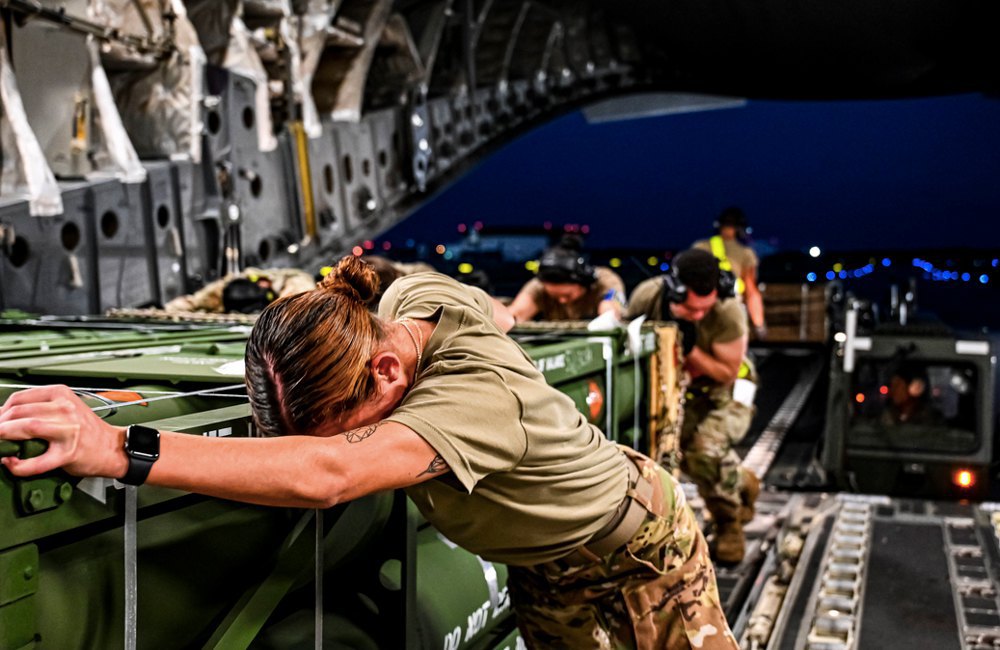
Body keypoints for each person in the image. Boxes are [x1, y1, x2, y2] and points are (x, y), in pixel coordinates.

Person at [0, 256, 737, 649]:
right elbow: (499, 314)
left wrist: (115, 444)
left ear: (386, 375)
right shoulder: (411, 300)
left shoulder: (469, 400)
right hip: (543, 569)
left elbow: (330, 472)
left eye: (341, 423)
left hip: (638, 554)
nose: (340, 439)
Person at [625, 249, 760, 565]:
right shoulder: (650, 296)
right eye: (690, 309)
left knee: (703, 450)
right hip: (672, 389)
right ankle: (741, 480)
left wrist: (686, 344)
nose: (698, 315)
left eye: (704, 310)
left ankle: (729, 522)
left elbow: (727, 371)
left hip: (725, 393)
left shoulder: (728, 311)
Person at [508, 234, 626, 323]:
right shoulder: (539, 286)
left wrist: (607, 313)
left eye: (567, 295)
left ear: (583, 284)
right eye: (555, 296)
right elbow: (516, 314)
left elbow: (611, 310)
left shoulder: (604, 281)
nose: (562, 301)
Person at [693, 207, 766, 338]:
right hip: (731, 311)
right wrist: (759, 324)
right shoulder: (746, 254)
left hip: (702, 312)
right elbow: (751, 290)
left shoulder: (701, 247)